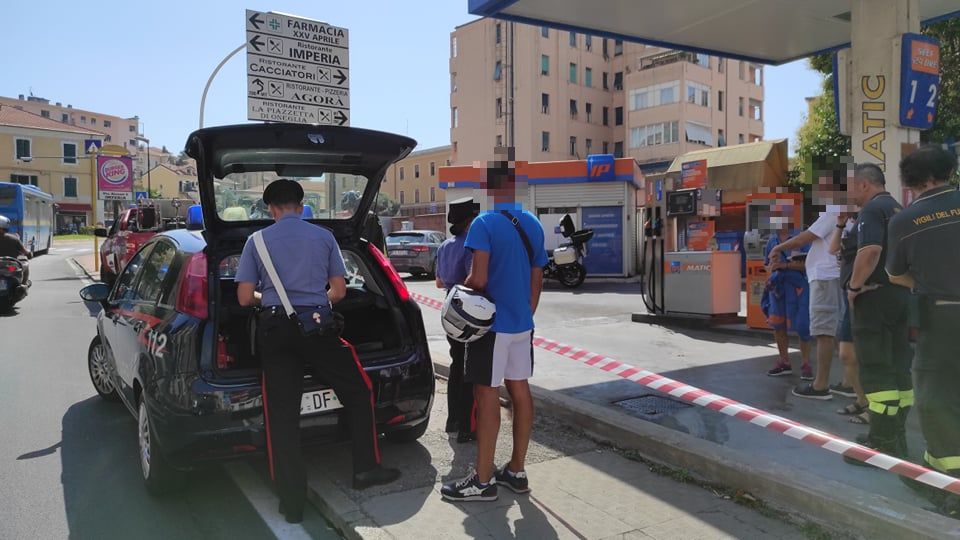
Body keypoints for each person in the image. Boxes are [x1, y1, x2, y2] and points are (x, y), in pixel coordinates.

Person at [235, 179, 400, 523]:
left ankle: (292, 503)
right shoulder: (324, 237)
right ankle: (365, 469)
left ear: (271, 209)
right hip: (316, 328)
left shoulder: (256, 241)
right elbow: (338, 291)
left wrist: (272, 299)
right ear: (301, 206)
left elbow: (244, 297)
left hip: (275, 332)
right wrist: (312, 305)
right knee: (358, 390)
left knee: (282, 415)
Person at [441, 149, 548, 502]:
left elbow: (479, 278)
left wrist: (461, 290)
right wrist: (525, 315)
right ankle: (516, 471)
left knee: (486, 394)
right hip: (521, 324)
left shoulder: (484, 223)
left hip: (490, 327)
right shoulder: (533, 224)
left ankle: (483, 480)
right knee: (520, 391)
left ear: (487, 187)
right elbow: (537, 280)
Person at [887, 145, 960, 515]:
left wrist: (927, 283)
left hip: (941, 318)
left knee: (936, 397)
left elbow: (895, 274)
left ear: (916, 181)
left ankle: (950, 484)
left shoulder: (904, 220)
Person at [840, 163, 910, 463]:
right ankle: (896, 434)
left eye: (850, 188)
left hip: (874, 299)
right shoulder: (898, 210)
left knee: (877, 369)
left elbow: (869, 252)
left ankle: (881, 442)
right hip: (898, 297)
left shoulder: (871, 210)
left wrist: (854, 287)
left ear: (864, 184)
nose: (849, 195)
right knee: (898, 368)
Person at [768, 173, 846, 400]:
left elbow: (805, 239)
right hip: (825, 279)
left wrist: (779, 250)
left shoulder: (833, 211)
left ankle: (820, 385)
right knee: (836, 331)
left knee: (823, 332)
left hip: (823, 279)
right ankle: (848, 382)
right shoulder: (841, 214)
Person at [436, 197, 481, 443]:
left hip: (449, 309)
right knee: (469, 368)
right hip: (468, 311)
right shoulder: (470, 246)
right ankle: (467, 427)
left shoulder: (444, 246)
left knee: (456, 364)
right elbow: (473, 281)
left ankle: (452, 419)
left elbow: (439, 282)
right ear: (470, 221)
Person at [761, 205, 813, 378]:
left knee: (803, 325)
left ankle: (806, 364)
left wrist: (784, 265)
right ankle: (784, 362)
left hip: (798, 287)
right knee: (778, 324)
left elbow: (809, 264)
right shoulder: (771, 241)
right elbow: (767, 265)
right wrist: (771, 268)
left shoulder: (801, 238)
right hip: (778, 288)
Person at [829, 212, 869, 425]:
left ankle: (873, 407)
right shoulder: (850, 224)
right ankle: (862, 400)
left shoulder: (870, 218)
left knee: (865, 356)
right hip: (849, 294)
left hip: (863, 296)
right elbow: (832, 249)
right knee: (846, 354)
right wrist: (839, 225)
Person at [0, 215, 30, 286]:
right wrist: (29, 253)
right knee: (25, 265)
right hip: (10, 268)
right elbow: (24, 251)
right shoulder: (14, 238)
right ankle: (24, 283)